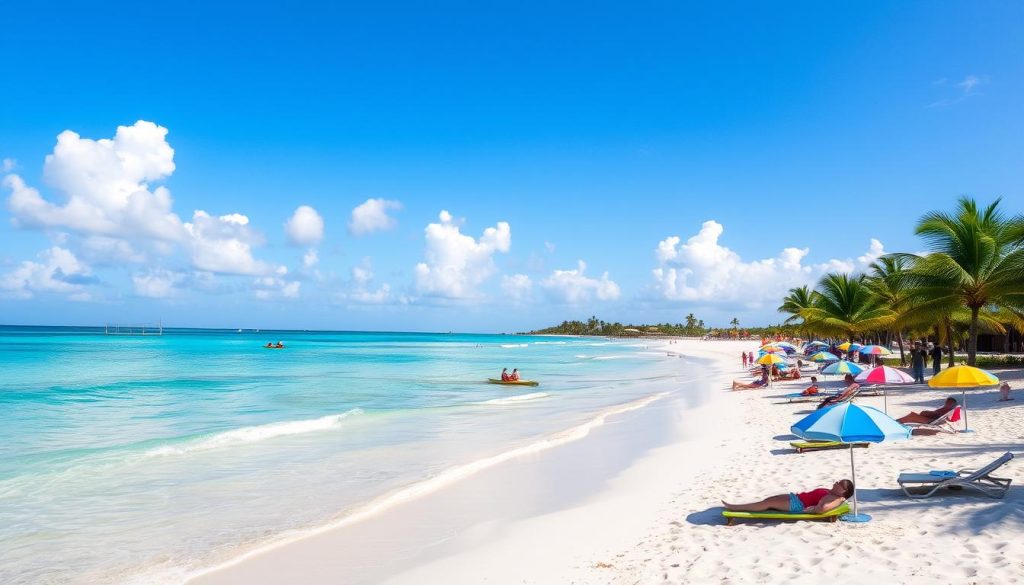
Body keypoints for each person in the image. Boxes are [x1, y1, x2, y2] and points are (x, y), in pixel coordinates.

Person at [722, 479, 854, 514]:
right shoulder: (832, 494)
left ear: (843, 492)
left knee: (767, 504)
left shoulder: (836, 499)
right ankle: (738, 507)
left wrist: (814, 508)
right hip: (797, 498)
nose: (836, 483)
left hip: (798, 504)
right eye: (838, 481)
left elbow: (823, 508)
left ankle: (735, 508)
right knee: (768, 501)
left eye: (840, 484)